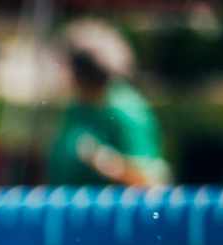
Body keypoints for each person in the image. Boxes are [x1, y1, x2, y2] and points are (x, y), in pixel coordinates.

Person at [47, 20, 170, 187]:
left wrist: (103, 160)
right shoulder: (77, 107)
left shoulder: (126, 111)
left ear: (81, 73)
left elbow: (152, 182)